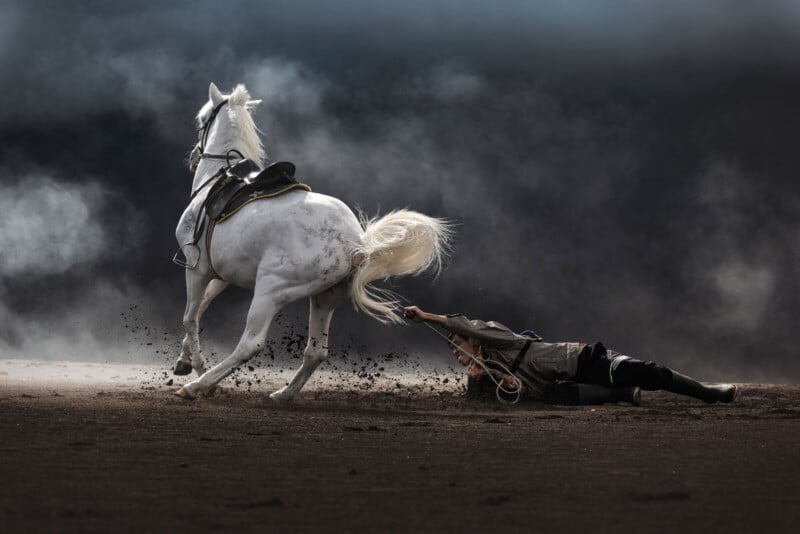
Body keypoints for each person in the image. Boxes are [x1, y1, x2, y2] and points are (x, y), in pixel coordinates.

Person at [402, 306, 737, 406]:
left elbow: (468, 326)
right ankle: (621, 395)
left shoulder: (501, 341)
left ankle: (709, 393)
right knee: (553, 395)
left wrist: (427, 317)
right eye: (451, 346)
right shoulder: (480, 375)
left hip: (579, 360)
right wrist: (506, 384)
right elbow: (501, 402)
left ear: (473, 340)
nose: (454, 347)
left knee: (651, 374)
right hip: (561, 385)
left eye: (457, 341)